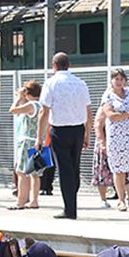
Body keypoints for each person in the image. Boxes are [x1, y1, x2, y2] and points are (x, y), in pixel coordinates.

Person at [36, 53, 91, 220]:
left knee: (65, 169)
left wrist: (40, 137)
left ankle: (70, 209)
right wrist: (88, 132)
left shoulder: (51, 83)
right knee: (74, 167)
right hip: (78, 129)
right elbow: (88, 110)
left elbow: (44, 111)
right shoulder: (81, 83)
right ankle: (71, 202)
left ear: (54, 65)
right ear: (69, 65)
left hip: (60, 130)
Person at [101, 68, 129, 211]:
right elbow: (110, 115)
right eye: (116, 79)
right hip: (117, 138)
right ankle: (121, 200)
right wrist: (128, 114)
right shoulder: (108, 96)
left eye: (121, 79)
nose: (119, 82)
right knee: (119, 169)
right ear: (111, 81)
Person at [10, 81, 43, 210]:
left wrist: (19, 98)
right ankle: (34, 200)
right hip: (38, 140)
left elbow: (13, 110)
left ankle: (20, 201)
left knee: (21, 172)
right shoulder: (41, 105)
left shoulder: (31, 105)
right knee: (35, 174)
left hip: (27, 141)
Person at [90, 99, 113, 209]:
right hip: (105, 142)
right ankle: (103, 199)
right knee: (102, 171)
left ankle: (126, 198)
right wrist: (103, 143)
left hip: (121, 143)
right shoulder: (103, 108)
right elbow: (98, 125)